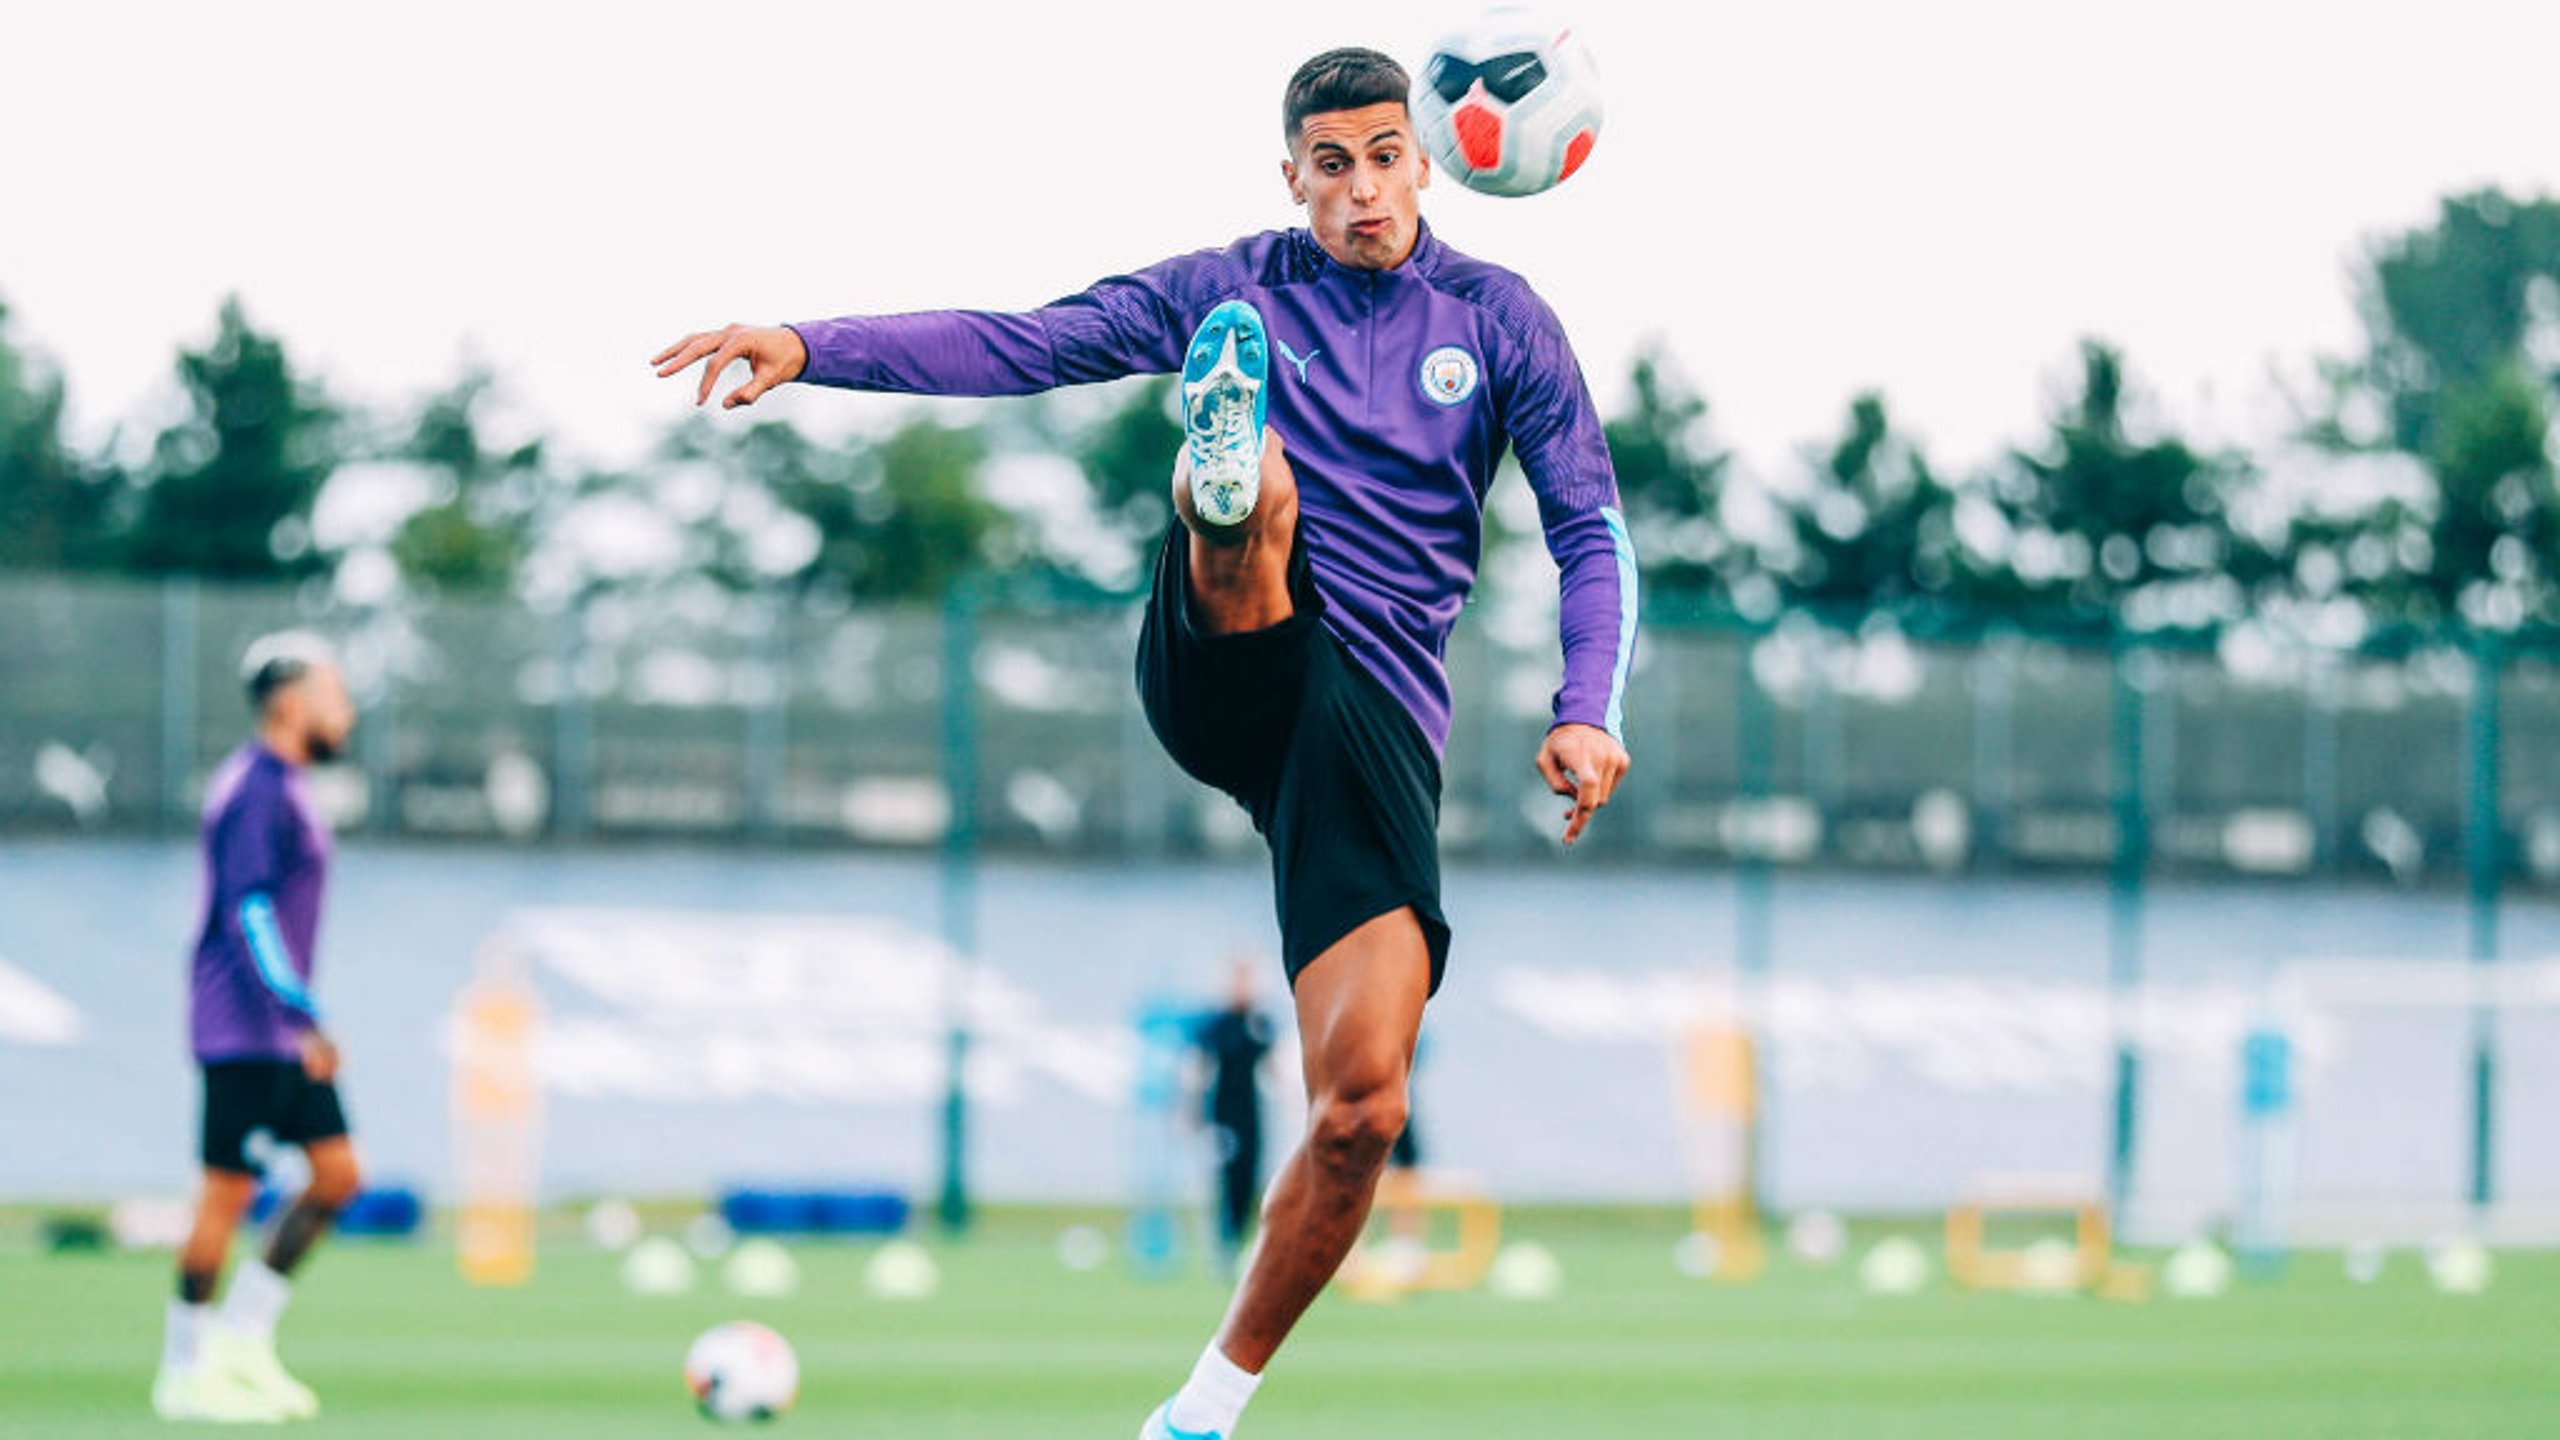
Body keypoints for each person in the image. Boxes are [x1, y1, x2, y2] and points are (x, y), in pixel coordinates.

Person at [653, 46, 1634, 1440]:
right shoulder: (1230, 285)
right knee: (1253, 488)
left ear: (1430, 158)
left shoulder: (1502, 318)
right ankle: (1219, 472)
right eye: (1331, 163)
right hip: (1227, 656)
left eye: (1384, 156)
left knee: (1361, 1109)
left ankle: (1202, 1407)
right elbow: (1024, 340)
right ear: (1290, 175)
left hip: (1368, 733)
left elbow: (1590, 524)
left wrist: (1588, 703)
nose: (1361, 188)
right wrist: (812, 344)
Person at [154, 633, 362, 1424]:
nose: (345, 709)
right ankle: (182, 1372)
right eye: (331, 692)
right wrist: (301, 1012)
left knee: (339, 1175)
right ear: (288, 702)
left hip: (277, 1029)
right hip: (241, 1029)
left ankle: (242, 1341)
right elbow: (249, 912)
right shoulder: (255, 790)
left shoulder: (292, 787)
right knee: (225, 1197)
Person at [1196, 957, 1278, 1276]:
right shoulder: (1216, 1024)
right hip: (1221, 1114)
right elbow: (1200, 1069)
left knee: (1252, 1176)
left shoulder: (1260, 1022)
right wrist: (1192, 1115)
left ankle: (1246, 1241)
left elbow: (1273, 1068)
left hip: (1252, 1112)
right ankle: (1223, 1244)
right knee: (1226, 1178)